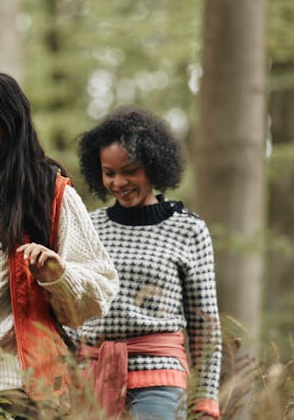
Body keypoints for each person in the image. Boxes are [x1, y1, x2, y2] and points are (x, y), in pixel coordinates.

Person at [0, 72, 118, 419]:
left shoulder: (50, 193)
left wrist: (58, 274)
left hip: (17, 390)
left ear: (8, 124)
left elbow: (99, 292)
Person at [74, 106, 222, 419]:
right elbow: (73, 306)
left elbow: (204, 324)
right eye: (109, 173)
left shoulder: (188, 229)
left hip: (160, 374)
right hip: (93, 375)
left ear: (154, 167)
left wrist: (206, 401)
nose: (119, 182)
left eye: (130, 171)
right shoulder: (88, 226)